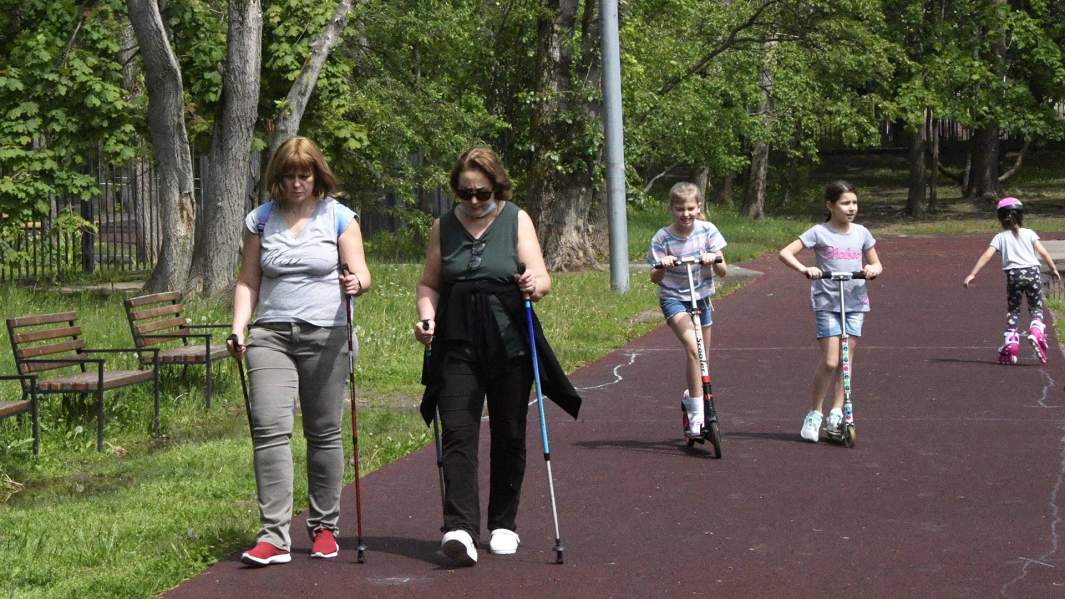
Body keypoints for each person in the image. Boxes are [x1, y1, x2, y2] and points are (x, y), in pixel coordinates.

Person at [414, 147, 580, 567]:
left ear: (497, 187)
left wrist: (534, 284)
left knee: (509, 430)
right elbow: (429, 283)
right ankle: (460, 529)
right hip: (456, 340)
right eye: (465, 193)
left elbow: (542, 276)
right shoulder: (443, 227)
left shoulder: (516, 219)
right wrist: (426, 318)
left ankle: (504, 523)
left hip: (508, 338)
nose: (473, 201)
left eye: (481, 193)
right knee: (457, 431)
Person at [227, 136, 371, 566]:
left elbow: (362, 273)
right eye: (288, 175)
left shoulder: (339, 218)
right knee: (269, 429)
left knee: (323, 432)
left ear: (317, 176)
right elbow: (248, 281)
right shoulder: (260, 220)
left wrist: (355, 283)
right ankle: (274, 535)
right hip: (271, 335)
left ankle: (325, 527)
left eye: (303, 174)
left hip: (327, 335)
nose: (295, 183)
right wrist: (239, 326)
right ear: (277, 178)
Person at [778, 180, 882, 443]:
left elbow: (876, 263)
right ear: (830, 205)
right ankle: (815, 413)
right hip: (827, 302)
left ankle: (838, 412)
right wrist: (805, 269)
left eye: (854, 203)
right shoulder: (819, 232)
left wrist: (873, 270)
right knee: (831, 361)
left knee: (846, 361)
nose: (851, 208)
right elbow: (786, 253)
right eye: (845, 203)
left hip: (855, 302)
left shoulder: (861, 233)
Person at [647, 182, 728, 437]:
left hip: (702, 297)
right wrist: (664, 265)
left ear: (699, 207)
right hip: (674, 298)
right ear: (671, 209)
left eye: (690, 208)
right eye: (680, 209)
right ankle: (697, 415)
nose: (686, 214)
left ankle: (690, 398)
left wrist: (712, 258)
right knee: (694, 349)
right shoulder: (662, 238)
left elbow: (724, 270)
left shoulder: (708, 231)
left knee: (702, 357)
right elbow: (654, 278)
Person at [963, 197, 1061, 364]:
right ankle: (1036, 330)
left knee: (1014, 310)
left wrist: (972, 274)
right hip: (1032, 273)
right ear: (1021, 216)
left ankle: (1011, 343)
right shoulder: (1029, 233)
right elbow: (1043, 253)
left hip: (1013, 276)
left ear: (1001, 218)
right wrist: (1053, 269)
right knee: (1035, 306)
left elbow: (986, 255)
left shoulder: (1000, 237)